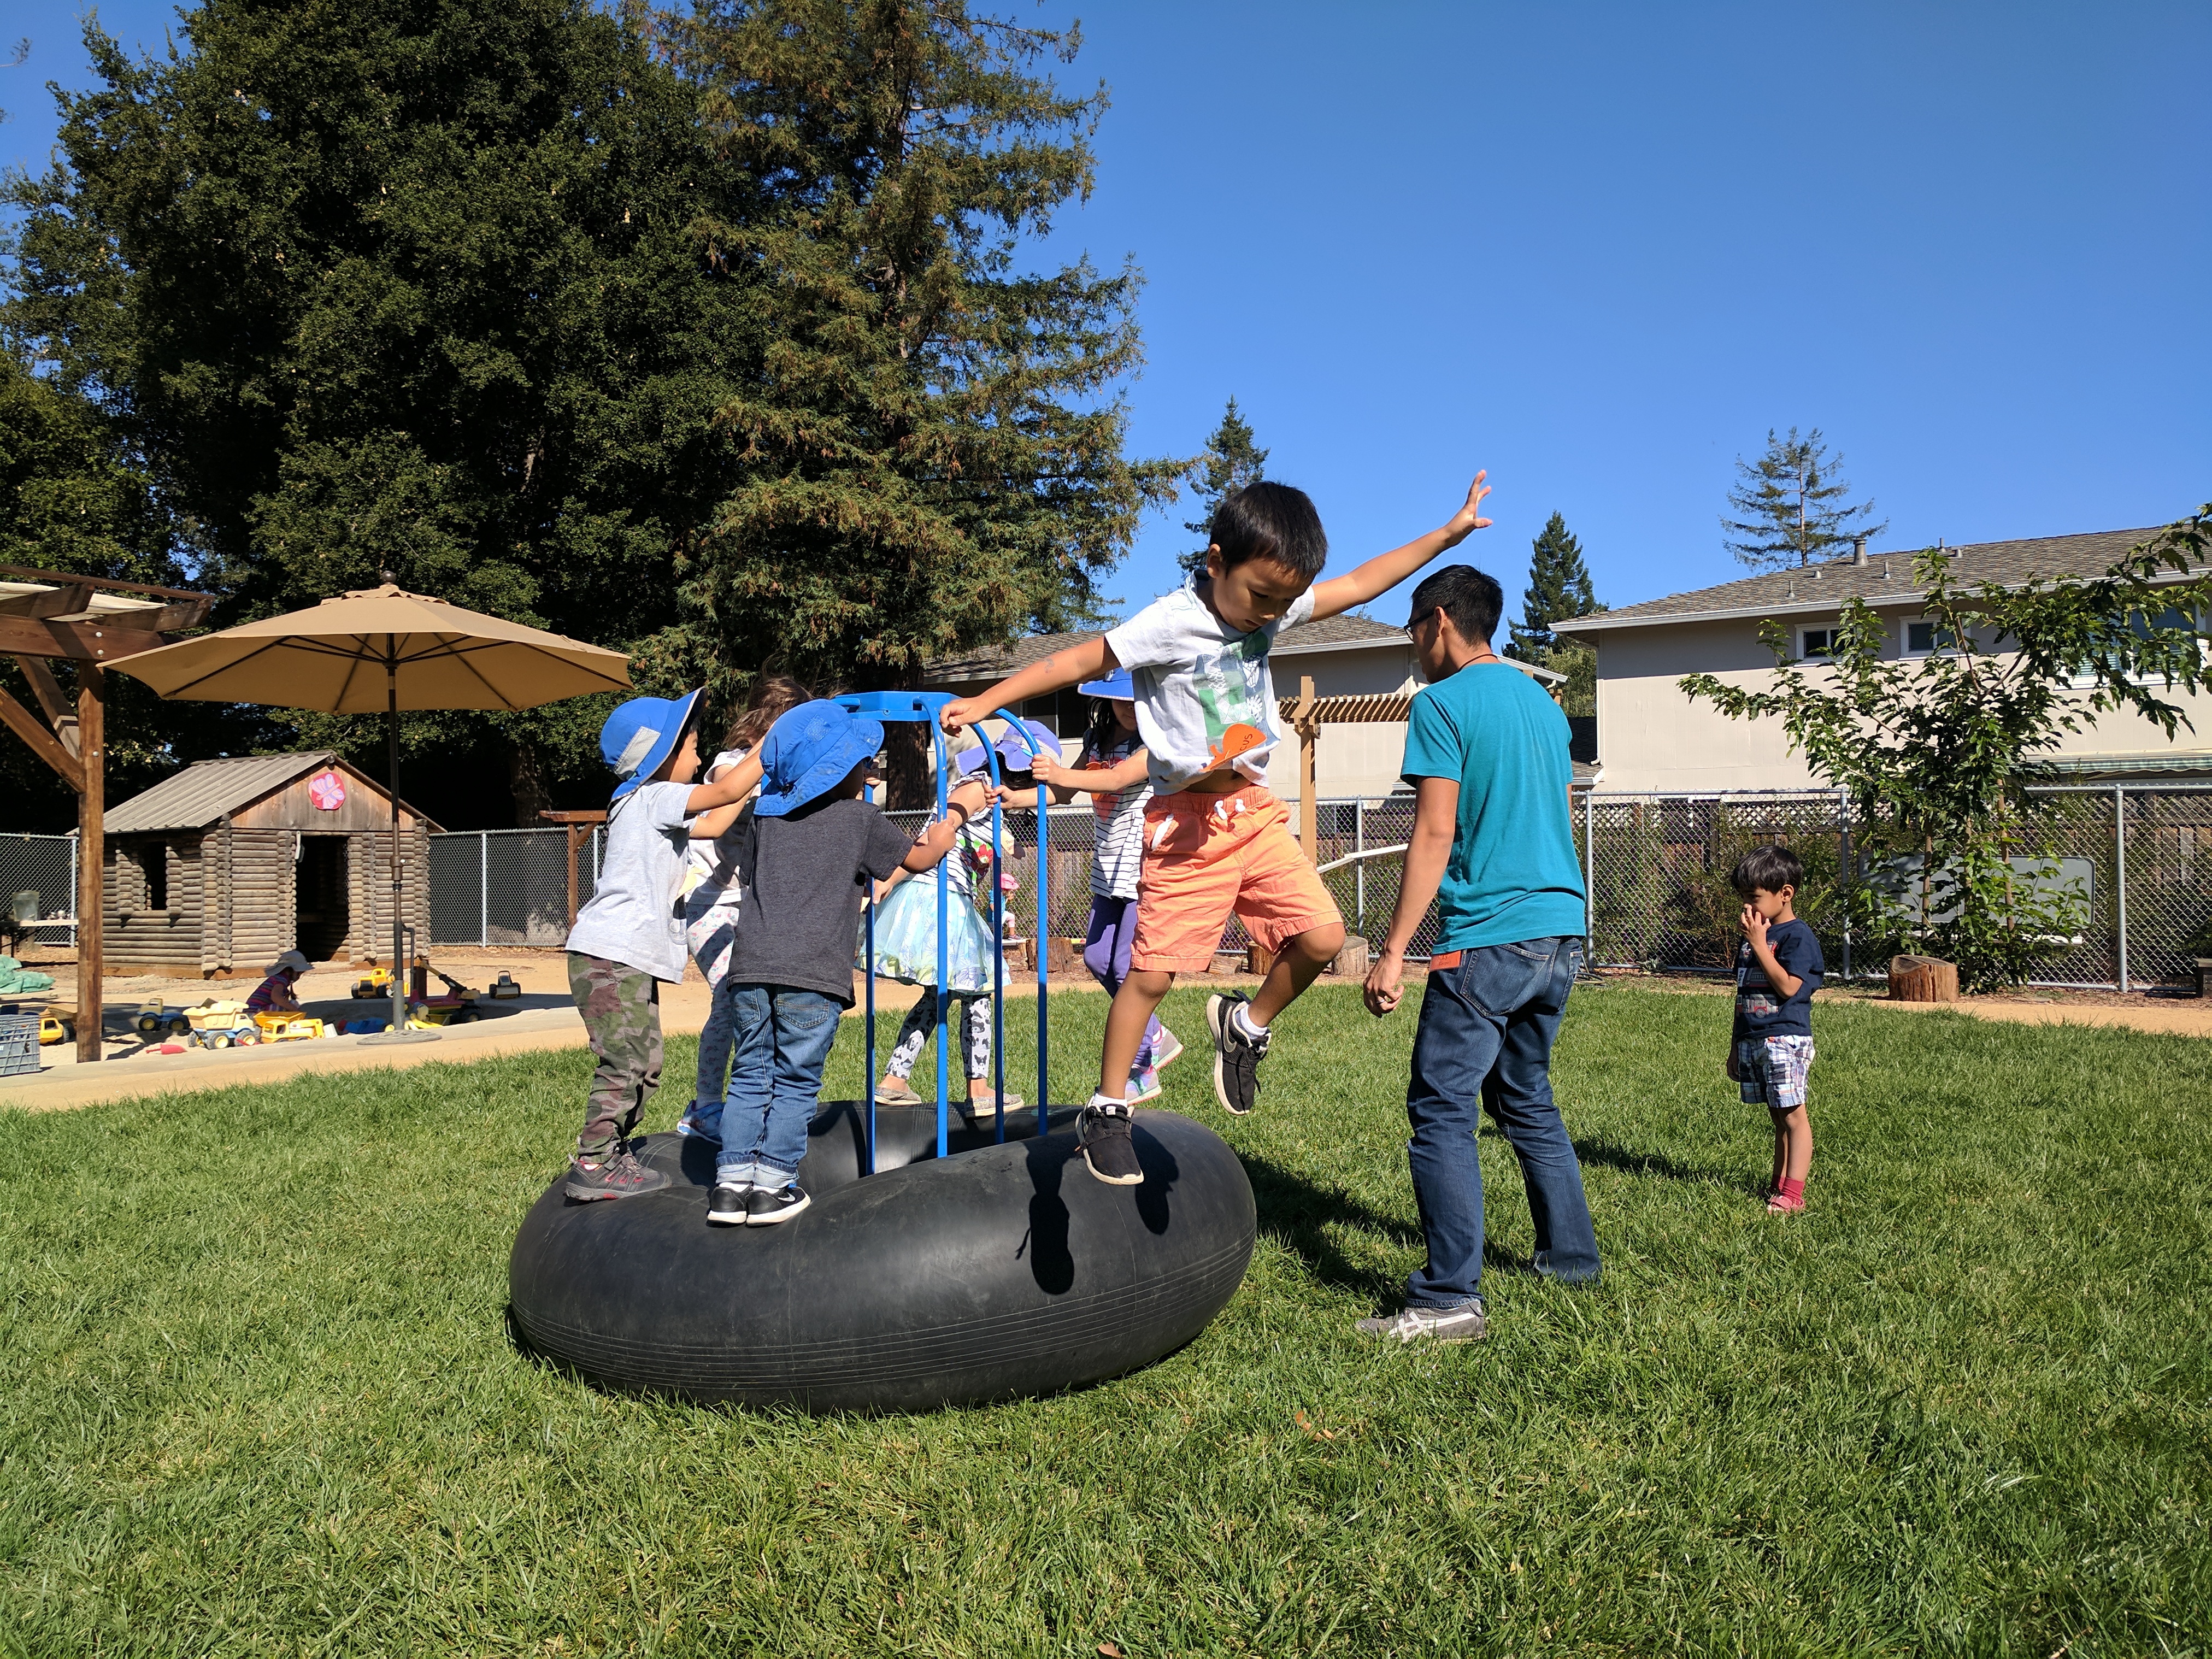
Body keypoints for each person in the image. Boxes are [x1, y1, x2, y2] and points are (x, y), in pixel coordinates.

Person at [942, 472, 1494, 1186]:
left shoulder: (1269, 611)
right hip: (1184, 827)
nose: (1269, 613)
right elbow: (1078, 660)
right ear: (1215, 562)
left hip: (1253, 812)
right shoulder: (1170, 621)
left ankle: (1247, 1027)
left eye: (1281, 600)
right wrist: (987, 699)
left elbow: (1360, 584)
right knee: (1150, 975)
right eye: (1259, 595)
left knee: (1323, 938)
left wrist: (1447, 534)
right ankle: (1109, 1110)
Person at [1360, 563, 1600, 1345]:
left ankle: (1447, 1301)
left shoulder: (1442, 705)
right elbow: (1556, 817)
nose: (1413, 649)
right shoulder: (1544, 706)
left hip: (1490, 937)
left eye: (1411, 633)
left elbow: (1433, 832)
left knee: (1440, 1106)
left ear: (1437, 622)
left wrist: (1395, 950)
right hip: (1561, 931)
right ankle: (1572, 1260)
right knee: (1525, 1096)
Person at [709, 701, 966, 1227]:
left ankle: (731, 1186)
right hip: (814, 973)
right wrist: (942, 835)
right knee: (796, 1080)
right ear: (844, 770)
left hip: (752, 966)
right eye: (863, 764)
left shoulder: (766, 815)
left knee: (752, 1073)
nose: (869, 771)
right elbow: (914, 860)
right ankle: (773, 1186)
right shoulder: (860, 818)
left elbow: (764, 871)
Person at [562, 691, 767, 1201]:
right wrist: (771, 745)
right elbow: (723, 794)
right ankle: (593, 1161)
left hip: (623, 957)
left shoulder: (649, 805)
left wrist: (754, 784)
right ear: (660, 756)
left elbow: (718, 822)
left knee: (647, 1064)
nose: (699, 759)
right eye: (693, 747)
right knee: (625, 1062)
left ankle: (613, 1153)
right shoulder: (650, 797)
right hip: (611, 953)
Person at [868, 720, 1051, 1121]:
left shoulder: (993, 797)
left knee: (942, 994)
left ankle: (895, 1080)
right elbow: (936, 833)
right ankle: (980, 1090)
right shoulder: (978, 788)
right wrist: (892, 877)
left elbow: (1049, 800)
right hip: (942, 899)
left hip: (949, 896)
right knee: (979, 990)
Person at [1016, 672, 1180, 1103]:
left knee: (1128, 965)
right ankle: (1156, 1032)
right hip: (1108, 868)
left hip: (1143, 866)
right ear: (1106, 702)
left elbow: (1114, 780)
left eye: (1136, 699)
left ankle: (1143, 1065)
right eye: (1120, 700)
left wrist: (1056, 771)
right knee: (1095, 958)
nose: (1129, 707)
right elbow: (1064, 793)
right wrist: (1015, 798)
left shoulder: (1157, 741)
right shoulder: (1096, 740)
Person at [675, 675, 813, 1149]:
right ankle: (705, 1104)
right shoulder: (729, 764)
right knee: (730, 995)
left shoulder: (784, 772)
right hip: (707, 898)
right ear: (767, 726)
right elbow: (727, 793)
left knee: (763, 998)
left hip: (752, 900)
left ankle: (755, 1097)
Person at [1727, 844, 1824, 1213]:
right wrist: (1736, 1046)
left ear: (1785, 894)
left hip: (1786, 1037)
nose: (1747, 908)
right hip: (1755, 1036)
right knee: (1777, 1115)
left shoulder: (1797, 937)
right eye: (1743, 899)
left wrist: (1759, 946)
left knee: (1793, 1115)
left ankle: (1793, 1195)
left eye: (1754, 898)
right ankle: (1778, 1183)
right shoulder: (1753, 938)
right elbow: (1742, 994)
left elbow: (1788, 987)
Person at [246, 950, 311, 1014]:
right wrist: (296, 1011)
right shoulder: (281, 980)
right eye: (300, 973)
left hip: (252, 1012)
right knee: (293, 1004)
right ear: (293, 971)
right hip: (255, 1013)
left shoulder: (278, 978)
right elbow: (276, 997)